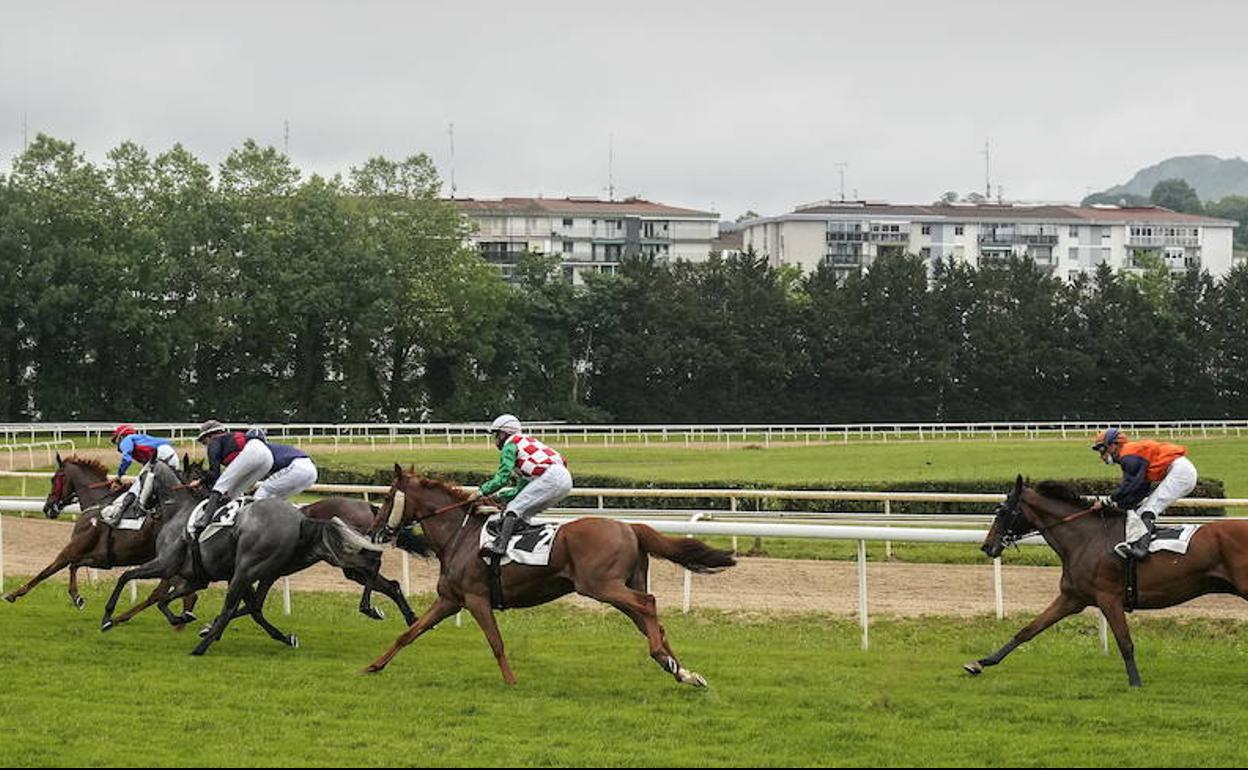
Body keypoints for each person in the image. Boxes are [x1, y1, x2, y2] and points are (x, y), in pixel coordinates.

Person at [193, 421, 318, 536]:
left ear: (209, 436)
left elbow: (216, 475)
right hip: (308, 470)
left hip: (293, 464)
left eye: (204, 442)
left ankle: (206, 520)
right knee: (239, 495)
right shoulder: (231, 442)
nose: (205, 446)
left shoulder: (215, 441)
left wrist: (201, 480)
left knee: (261, 491)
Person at [1089, 428, 1198, 559]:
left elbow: (1130, 486)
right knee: (1141, 512)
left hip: (1180, 473)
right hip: (1180, 471)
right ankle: (1148, 541)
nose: (1102, 456)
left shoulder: (1128, 455)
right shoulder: (1131, 455)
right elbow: (1139, 490)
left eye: (1103, 450)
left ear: (1114, 445)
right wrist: (1119, 504)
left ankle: (1141, 550)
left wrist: (1107, 501)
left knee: (1148, 510)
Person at [473, 414, 573, 557]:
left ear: (503, 434)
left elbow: (502, 478)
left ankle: (500, 546)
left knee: (514, 508)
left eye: (496, 435)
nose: (496, 440)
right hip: (565, 479)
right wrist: (498, 496)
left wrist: (481, 492)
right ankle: (526, 551)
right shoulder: (525, 445)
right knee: (524, 515)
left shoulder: (510, 445)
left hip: (552, 477)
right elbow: (520, 490)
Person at [99, 424, 178, 524]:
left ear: (121, 436)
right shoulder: (140, 440)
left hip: (161, 454)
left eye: (116, 440)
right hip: (172, 456)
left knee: (137, 485)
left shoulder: (127, 439)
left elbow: (126, 459)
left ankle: (121, 515)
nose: (117, 444)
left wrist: (119, 475)